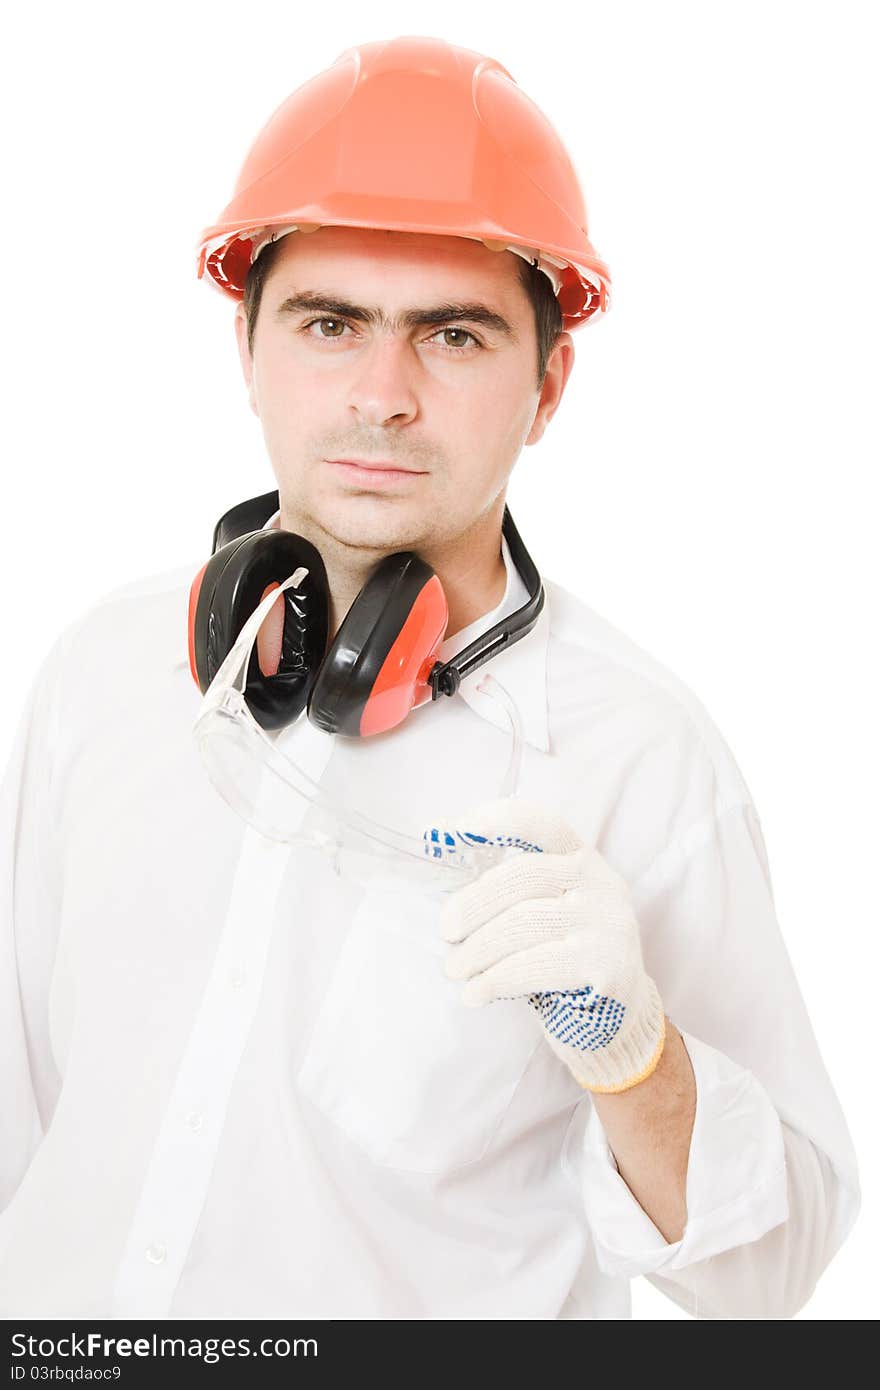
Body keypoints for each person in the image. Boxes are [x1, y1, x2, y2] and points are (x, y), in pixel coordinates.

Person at [0, 35, 859, 1321]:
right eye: (329, 323)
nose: (382, 394)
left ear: (548, 383)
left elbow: (766, 1276)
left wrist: (634, 1061)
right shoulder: (104, 674)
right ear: (248, 350)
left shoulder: (636, 754)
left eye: (452, 336)